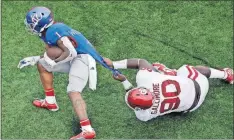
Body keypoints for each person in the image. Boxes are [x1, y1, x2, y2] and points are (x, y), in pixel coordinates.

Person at [17, 6, 118, 139]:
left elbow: (71, 52)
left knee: (73, 91)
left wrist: (53, 62)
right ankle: (50, 102)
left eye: (32, 24)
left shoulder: (54, 31)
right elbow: (53, 53)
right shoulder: (50, 31)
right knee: (42, 65)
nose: (30, 27)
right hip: (74, 58)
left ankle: (87, 130)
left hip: (82, 59)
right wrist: (37, 59)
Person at [104, 58, 233, 121]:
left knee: (163, 74)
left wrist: (124, 81)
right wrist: (114, 64)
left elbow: (137, 103)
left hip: (191, 107)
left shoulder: (143, 115)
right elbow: (140, 62)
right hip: (199, 85)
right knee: (185, 69)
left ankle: (169, 73)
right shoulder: (146, 79)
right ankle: (227, 75)